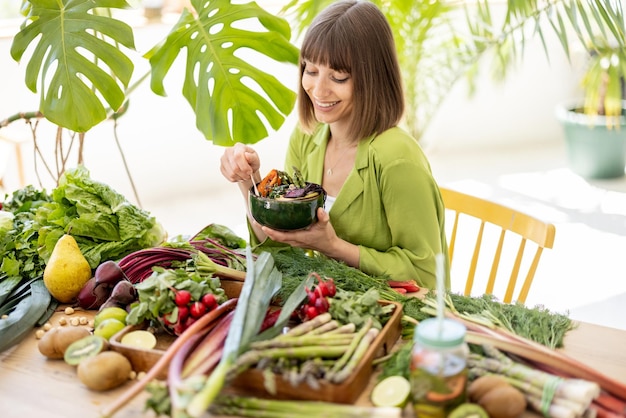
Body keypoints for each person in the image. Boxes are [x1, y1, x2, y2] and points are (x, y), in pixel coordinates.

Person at [220, 0, 449, 289]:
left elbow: (426, 274)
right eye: (311, 71)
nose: (318, 89)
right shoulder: (307, 137)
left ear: (373, 79)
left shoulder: (396, 158)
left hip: (394, 321)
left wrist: (334, 246)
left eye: (338, 77)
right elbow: (282, 251)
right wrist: (250, 184)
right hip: (327, 307)